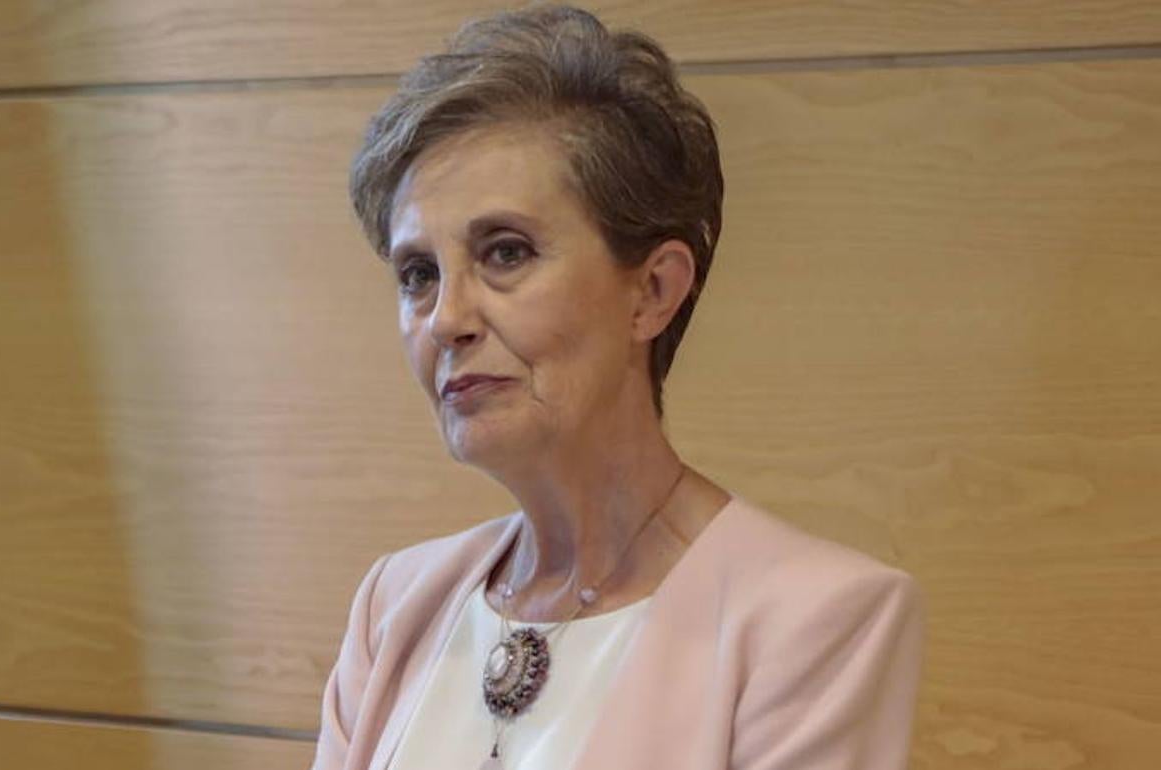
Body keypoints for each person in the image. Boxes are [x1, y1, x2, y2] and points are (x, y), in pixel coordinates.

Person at [311, 4, 924, 769]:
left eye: (505, 253)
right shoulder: (394, 604)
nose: (446, 319)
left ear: (653, 292)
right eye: (418, 274)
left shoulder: (813, 620)